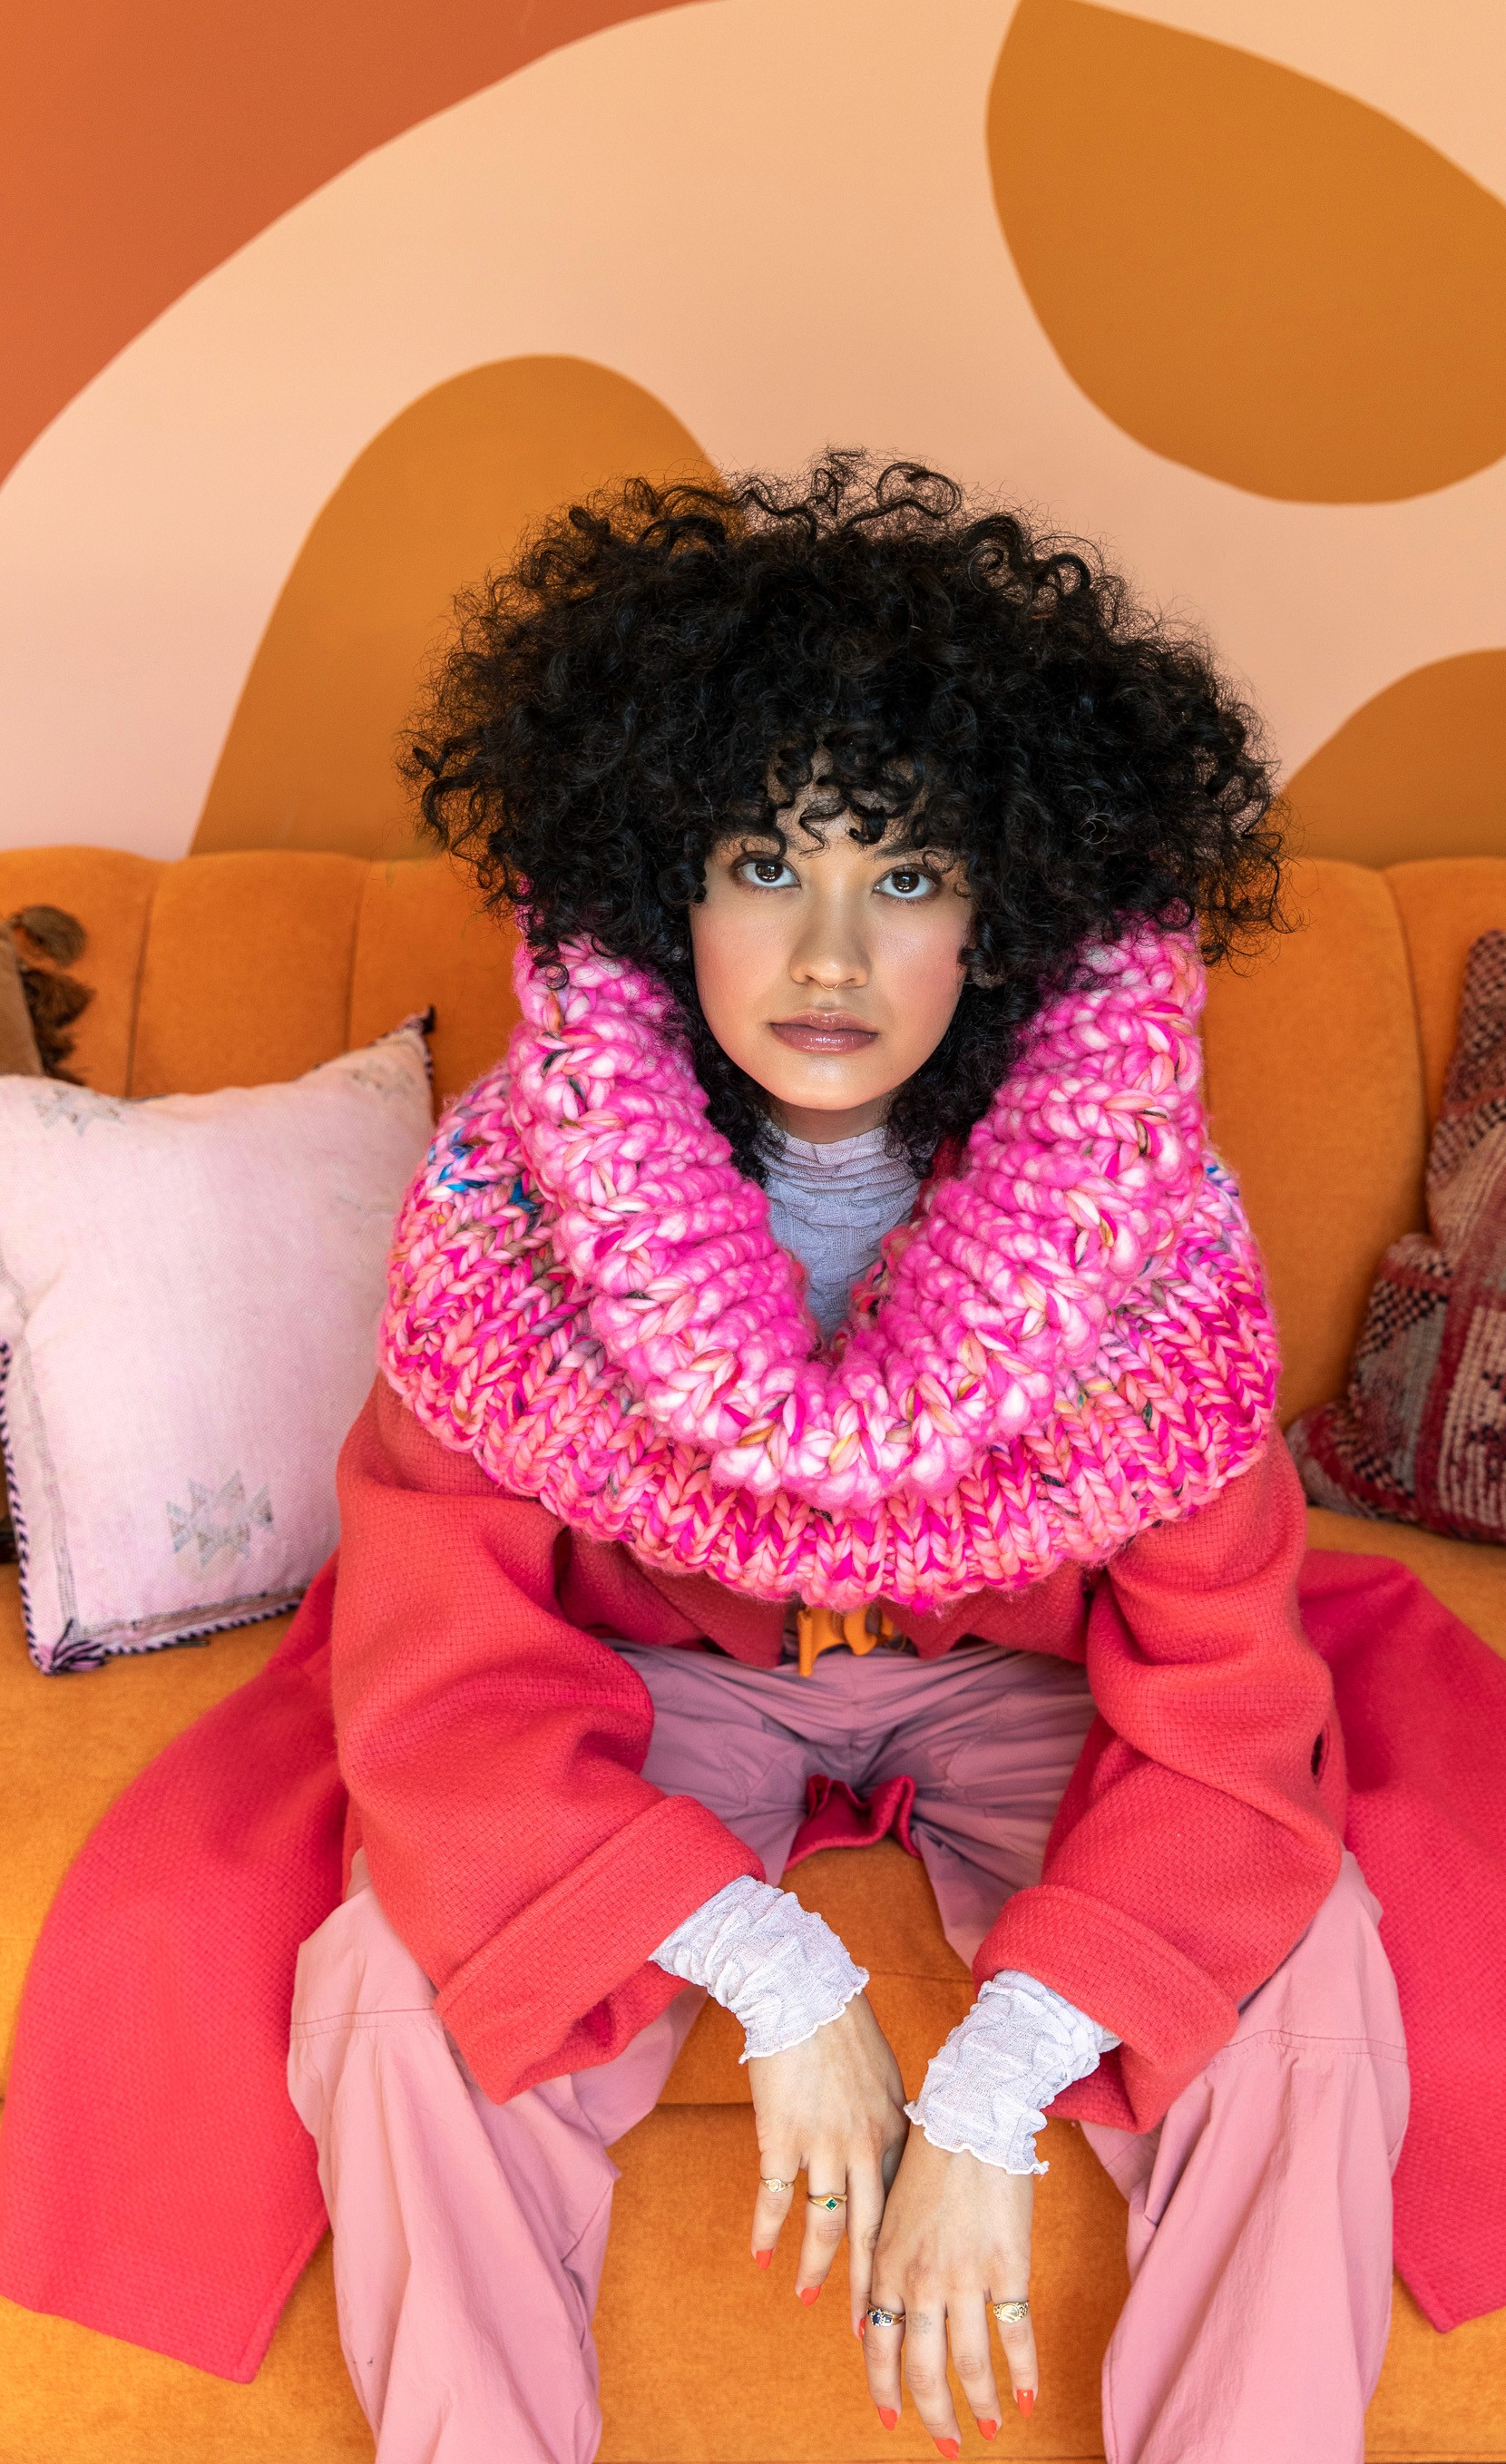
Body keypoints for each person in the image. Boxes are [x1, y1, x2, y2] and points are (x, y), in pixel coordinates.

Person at [284, 455, 1409, 2464]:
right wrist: (776, 1975)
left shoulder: (1145, 1219)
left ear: (1004, 910)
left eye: (903, 877)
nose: (826, 952)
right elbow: (443, 1658)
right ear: (661, 882)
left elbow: (1229, 1695)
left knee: (1309, 1970)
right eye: (761, 862)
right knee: (393, 1980)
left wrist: (998, 2078)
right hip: (655, 1684)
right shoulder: (509, 1202)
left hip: (1013, 1688)